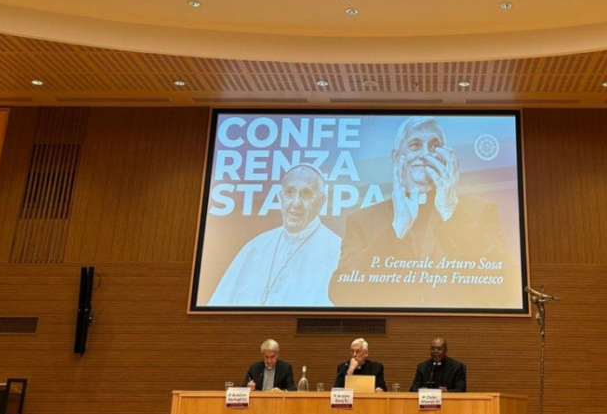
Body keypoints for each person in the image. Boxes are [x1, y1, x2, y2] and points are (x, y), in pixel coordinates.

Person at [329, 116, 509, 307]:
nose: (425, 154)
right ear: (395, 156)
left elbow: (505, 288)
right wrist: (397, 229)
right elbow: (342, 295)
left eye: (434, 146)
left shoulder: (480, 212)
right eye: (415, 145)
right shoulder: (362, 220)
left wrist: (451, 214)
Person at [208, 164, 341, 307]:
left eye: (306, 194)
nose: (296, 203)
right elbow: (216, 306)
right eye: (290, 193)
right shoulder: (256, 247)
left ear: (321, 201)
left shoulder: (338, 251)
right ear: (280, 197)